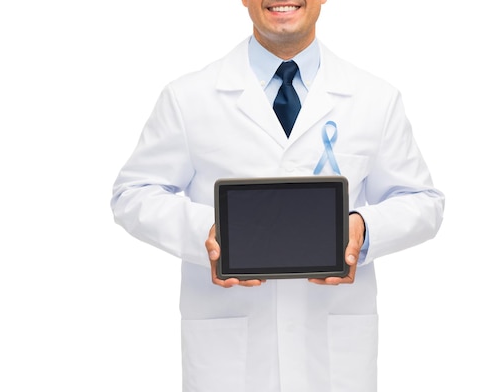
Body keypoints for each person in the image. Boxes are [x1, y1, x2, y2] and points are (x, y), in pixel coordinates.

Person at [111, 1, 444, 391]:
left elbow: (423, 201)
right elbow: (133, 193)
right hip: (229, 356)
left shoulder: (374, 98)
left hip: (333, 354)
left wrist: (363, 230)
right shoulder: (189, 98)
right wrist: (215, 233)